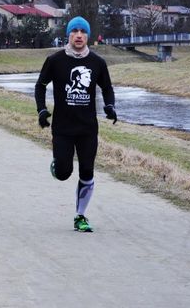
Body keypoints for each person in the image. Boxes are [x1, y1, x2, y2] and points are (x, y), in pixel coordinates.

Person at [34, 16, 117, 233]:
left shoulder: (97, 62)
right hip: (62, 127)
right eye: (74, 31)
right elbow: (40, 86)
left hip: (88, 127)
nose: (78, 35)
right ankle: (58, 165)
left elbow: (107, 88)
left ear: (87, 36)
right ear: (68, 35)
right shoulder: (55, 60)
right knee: (63, 172)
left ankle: (80, 216)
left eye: (82, 31)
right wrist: (42, 110)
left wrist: (110, 107)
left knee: (87, 171)